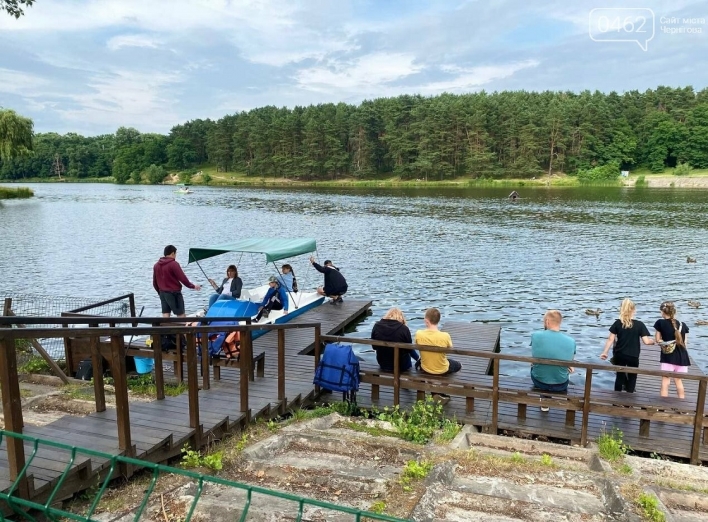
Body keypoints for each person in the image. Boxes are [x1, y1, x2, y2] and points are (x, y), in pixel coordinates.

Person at [599, 298, 655, 393]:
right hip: (633, 355)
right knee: (632, 376)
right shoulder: (639, 325)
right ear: (634, 310)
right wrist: (653, 341)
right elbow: (646, 341)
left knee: (620, 376)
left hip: (620, 354)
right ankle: (629, 401)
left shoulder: (617, 323)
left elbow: (610, 339)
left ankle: (616, 400)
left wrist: (605, 352)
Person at [530, 310, 576, 411]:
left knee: (535, 366)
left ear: (547, 322)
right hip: (561, 384)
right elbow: (571, 363)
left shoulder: (535, 336)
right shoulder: (571, 341)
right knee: (564, 371)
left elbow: (534, 356)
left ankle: (545, 402)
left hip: (539, 382)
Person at [152, 245, 201, 318]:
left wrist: (159, 292)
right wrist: (193, 286)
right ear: (172, 253)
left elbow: (154, 282)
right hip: (174, 293)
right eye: (175, 254)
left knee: (165, 314)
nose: (175, 256)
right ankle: (182, 329)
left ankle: (165, 329)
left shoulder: (156, 265)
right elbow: (182, 278)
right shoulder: (174, 264)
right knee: (181, 314)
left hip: (163, 293)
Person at [654, 301, 690, 398]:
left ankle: (663, 406)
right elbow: (685, 343)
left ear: (662, 312)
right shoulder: (683, 324)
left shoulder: (660, 323)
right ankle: (681, 406)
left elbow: (657, 340)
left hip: (668, 356)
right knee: (678, 381)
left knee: (665, 381)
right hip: (682, 357)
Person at [414, 307, 461, 377]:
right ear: (438, 320)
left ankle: (430, 383)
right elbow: (450, 348)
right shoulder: (445, 336)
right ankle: (444, 384)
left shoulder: (419, 334)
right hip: (442, 369)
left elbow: (416, 344)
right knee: (459, 365)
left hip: (425, 368)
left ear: (426, 321)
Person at [371, 307, 420, 373]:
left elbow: (374, 347)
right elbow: (409, 349)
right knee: (407, 352)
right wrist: (418, 359)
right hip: (402, 366)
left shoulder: (376, 326)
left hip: (383, 365)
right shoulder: (403, 329)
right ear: (401, 318)